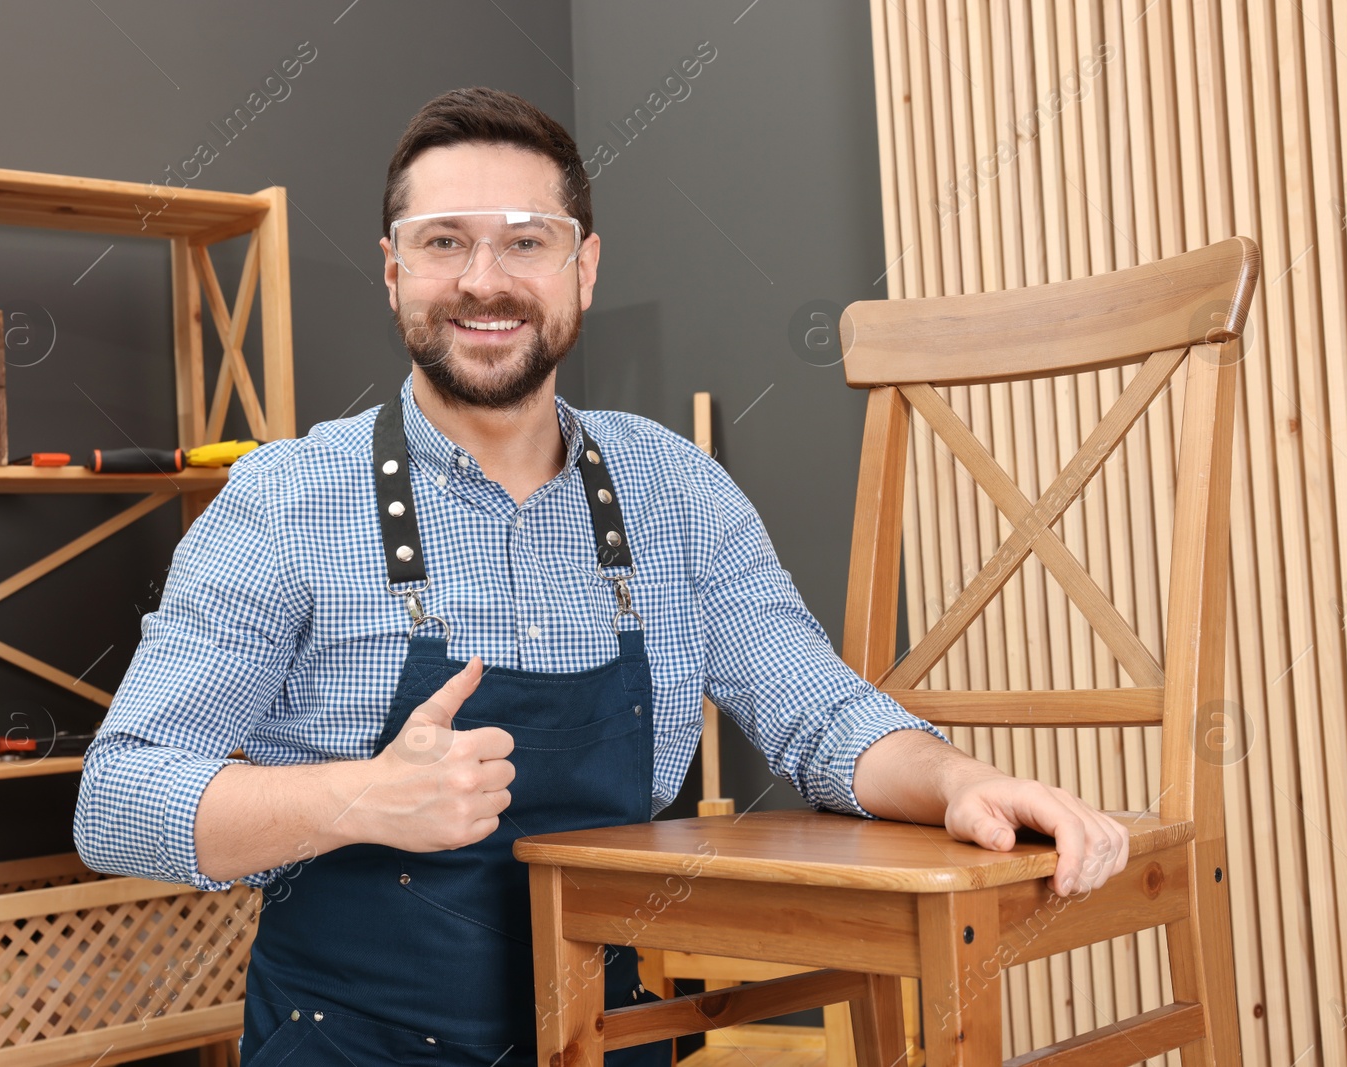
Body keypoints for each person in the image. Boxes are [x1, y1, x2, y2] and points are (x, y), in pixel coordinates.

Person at [74, 86, 1130, 1065]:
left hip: (612, 1033)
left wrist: (959, 781)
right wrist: (361, 795)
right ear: (395, 271)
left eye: (525, 243)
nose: (484, 280)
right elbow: (117, 800)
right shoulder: (280, 502)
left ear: (582, 270)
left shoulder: (676, 489)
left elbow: (821, 714)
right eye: (444, 242)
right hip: (351, 1040)